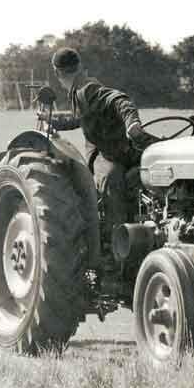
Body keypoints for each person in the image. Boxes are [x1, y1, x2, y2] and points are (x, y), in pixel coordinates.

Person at [45, 47, 158, 263]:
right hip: (110, 154)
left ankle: (125, 246)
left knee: (117, 177)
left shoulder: (87, 89)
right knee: (111, 178)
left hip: (115, 152)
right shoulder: (79, 90)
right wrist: (54, 122)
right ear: (79, 67)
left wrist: (132, 124)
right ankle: (116, 250)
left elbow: (119, 100)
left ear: (58, 74)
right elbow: (80, 119)